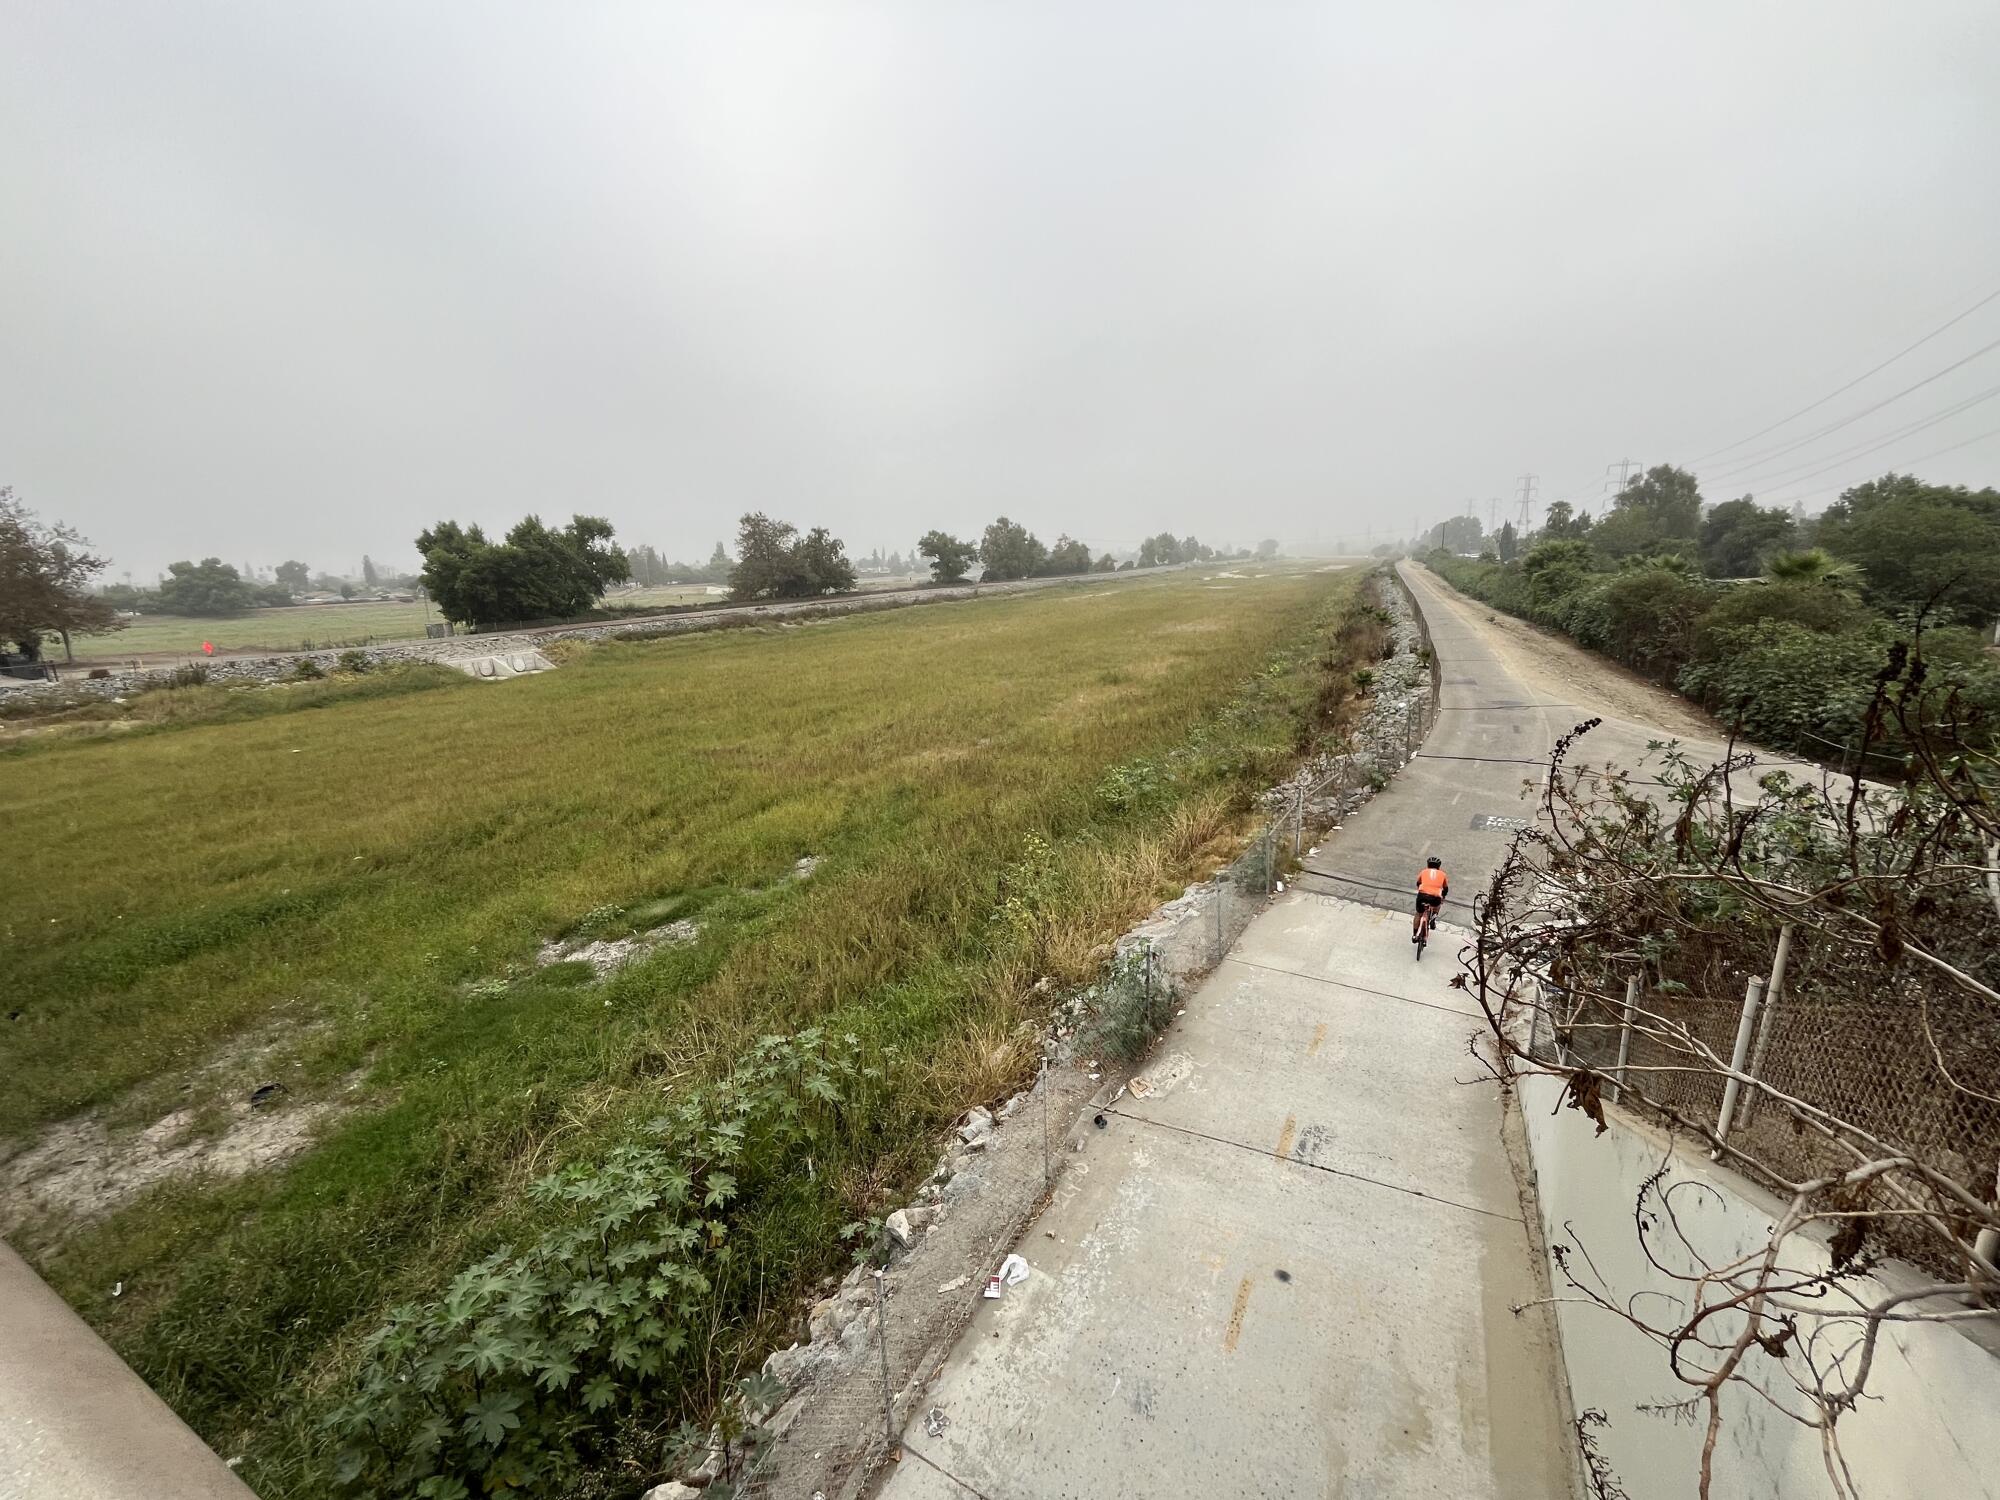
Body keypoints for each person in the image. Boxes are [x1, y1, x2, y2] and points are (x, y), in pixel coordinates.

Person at [1413, 856, 1448, 941]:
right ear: (1439, 866)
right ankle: (1434, 917)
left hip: (1422, 895)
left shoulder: (1423, 872)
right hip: (1435, 897)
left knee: (1418, 914)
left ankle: (1414, 935)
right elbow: (1445, 888)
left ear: (1428, 865)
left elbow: (1418, 883)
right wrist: (1443, 896)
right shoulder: (1443, 874)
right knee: (1438, 903)